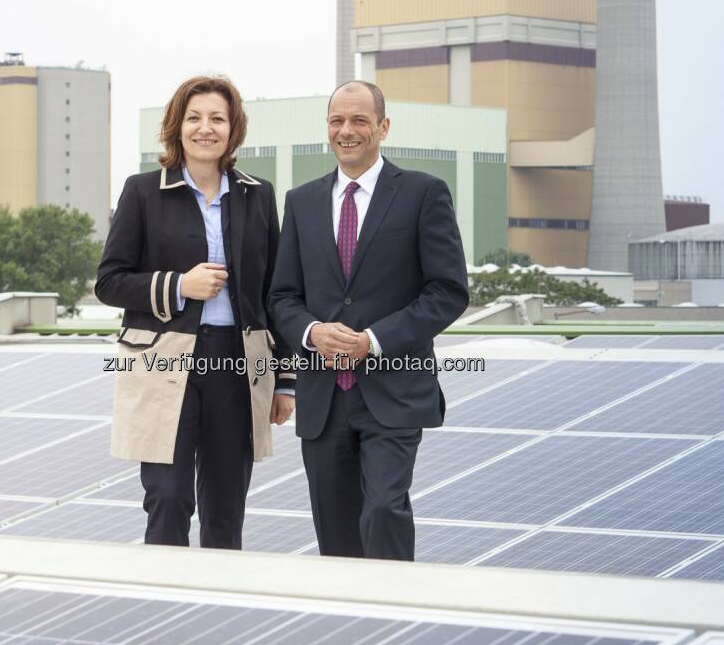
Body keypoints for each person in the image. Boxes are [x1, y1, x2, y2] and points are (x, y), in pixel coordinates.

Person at [268, 80, 468, 561]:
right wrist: (312, 333)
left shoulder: (423, 193)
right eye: (337, 120)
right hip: (323, 402)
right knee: (335, 537)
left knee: (382, 510)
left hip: (393, 394)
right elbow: (281, 297)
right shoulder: (301, 201)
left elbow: (448, 292)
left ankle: (398, 620)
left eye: (359, 120)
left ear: (383, 127)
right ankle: (351, 631)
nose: (347, 130)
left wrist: (374, 340)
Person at [95, 75, 295, 549]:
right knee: (167, 497)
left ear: (234, 129)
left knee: (226, 505)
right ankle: (164, 608)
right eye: (195, 118)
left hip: (238, 362)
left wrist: (286, 381)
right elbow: (109, 281)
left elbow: (278, 292)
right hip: (162, 359)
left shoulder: (258, 195)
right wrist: (180, 285)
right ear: (176, 126)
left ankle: (221, 613)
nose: (206, 128)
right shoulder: (143, 191)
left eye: (218, 119)